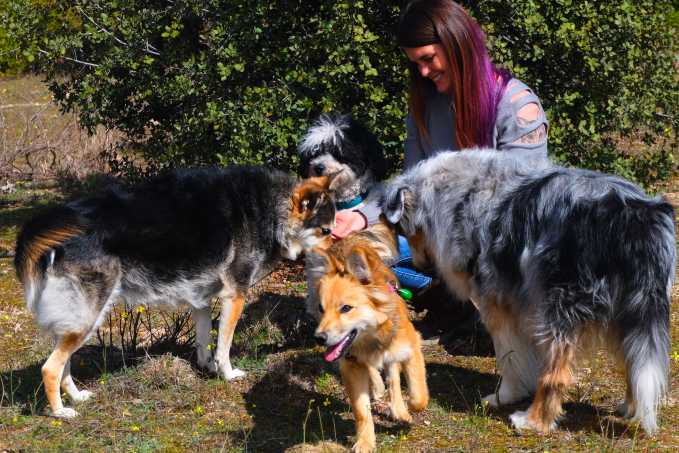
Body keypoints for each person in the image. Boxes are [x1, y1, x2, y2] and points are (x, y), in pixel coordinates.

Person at [332, 0, 548, 292]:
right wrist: (359, 216)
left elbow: (523, 213)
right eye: (415, 63)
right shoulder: (425, 106)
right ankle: (439, 290)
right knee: (352, 252)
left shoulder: (519, 107)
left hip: (497, 254)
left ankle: (446, 293)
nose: (422, 72)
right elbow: (407, 189)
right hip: (436, 245)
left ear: (458, 45)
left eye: (428, 58)